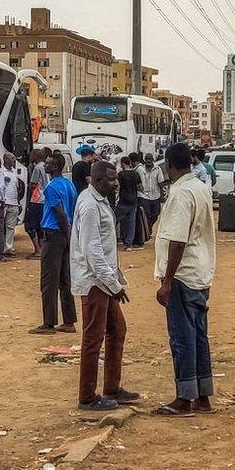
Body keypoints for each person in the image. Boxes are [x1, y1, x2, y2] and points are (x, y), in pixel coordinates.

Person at [153, 143, 217, 418]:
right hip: (200, 272)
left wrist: (167, 280)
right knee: (198, 335)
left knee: (182, 337)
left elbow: (177, 240)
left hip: (182, 273)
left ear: (169, 165)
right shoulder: (201, 187)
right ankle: (202, 394)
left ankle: (184, 398)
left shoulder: (180, 193)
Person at [72, 161, 139, 411]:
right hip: (94, 282)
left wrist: (114, 279)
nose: (116, 183)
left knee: (117, 329)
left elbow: (105, 247)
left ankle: (112, 387)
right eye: (111, 179)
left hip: (105, 281)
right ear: (98, 180)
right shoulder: (90, 205)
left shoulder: (99, 200)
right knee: (93, 338)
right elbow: (93, 251)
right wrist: (114, 284)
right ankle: (87, 397)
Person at [30, 153, 78, 334]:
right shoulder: (69, 184)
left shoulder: (51, 188)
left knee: (48, 280)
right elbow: (70, 211)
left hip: (54, 234)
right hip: (66, 234)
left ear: (56, 167)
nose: (46, 166)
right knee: (65, 279)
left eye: (49, 164)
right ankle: (69, 320)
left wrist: (65, 235)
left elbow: (60, 214)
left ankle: (48, 322)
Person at [24, 150, 48, 259]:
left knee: (29, 225)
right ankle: (42, 249)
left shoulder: (37, 168)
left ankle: (37, 250)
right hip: (45, 199)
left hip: (36, 199)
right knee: (40, 226)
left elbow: (33, 184)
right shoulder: (46, 166)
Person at [116, 157, 143, 251]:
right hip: (133, 200)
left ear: (123, 164)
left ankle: (112, 239)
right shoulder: (135, 174)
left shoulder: (121, 175)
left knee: (115, 220)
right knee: (131, 223)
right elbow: (140, 187)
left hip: (123, 200)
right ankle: (129, 244)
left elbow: (116, 186)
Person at [2, 153, 25, 257]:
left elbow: (16, 188)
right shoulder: (0, 171)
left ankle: (8, 248)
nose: (14, 161)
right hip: (3, 203)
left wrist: (18, 203)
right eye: (12, 158)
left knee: (10, 227)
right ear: (6, 160)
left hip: (13, 203)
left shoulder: (14, 172)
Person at [139, 153, 165, 231]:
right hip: (145, 196)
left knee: (156, 214)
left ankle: (150, 227)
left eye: (150, 159)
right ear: (144, 160)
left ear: (153, 160)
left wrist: (162, 195)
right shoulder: (142, 169)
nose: (148, 161)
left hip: (156, 196)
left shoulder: (157, 169)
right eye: (146, 159)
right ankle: (149, 230)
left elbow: (161, 183)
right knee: (147, 214)